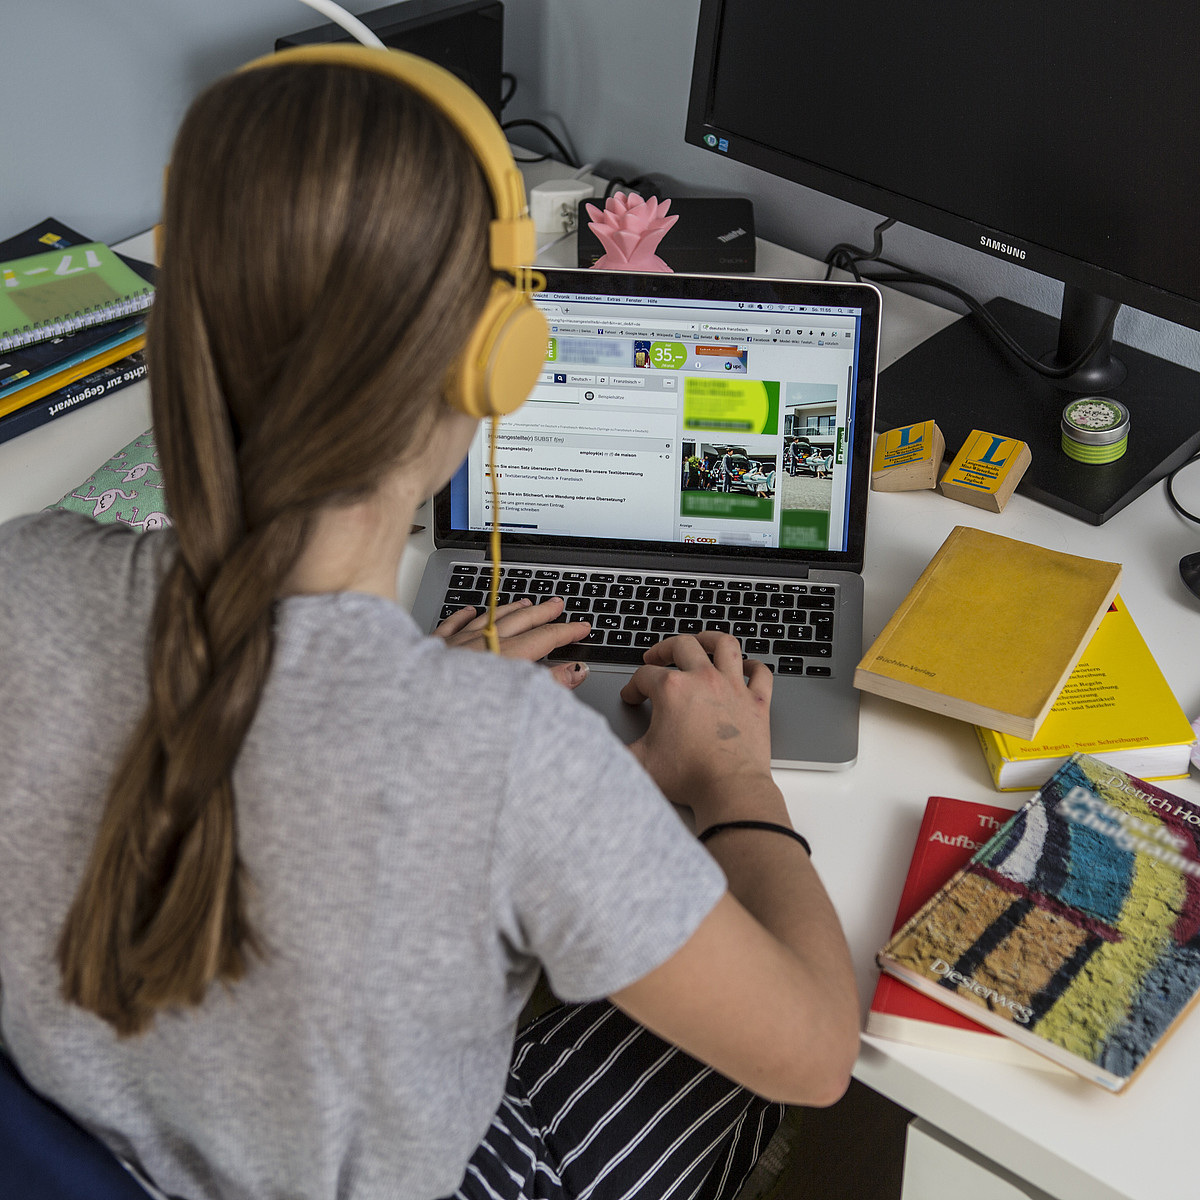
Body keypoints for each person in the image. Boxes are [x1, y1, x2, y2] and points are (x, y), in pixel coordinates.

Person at [0, 47, 858, 1200]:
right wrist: (739, 786)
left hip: (122, 1145)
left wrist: (413, 684)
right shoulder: (502, 756)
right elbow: (814, 1054)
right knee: (738, 1050)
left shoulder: (20, 575)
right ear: (493, 366)